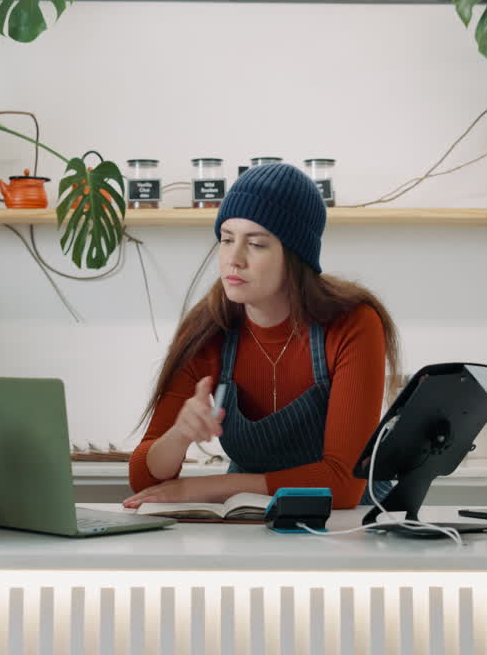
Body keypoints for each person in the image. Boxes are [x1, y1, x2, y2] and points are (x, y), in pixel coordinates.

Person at [124, 163, 402, 510]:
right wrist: (178, 436)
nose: (233, 260)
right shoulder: (208, 330)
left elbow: (341, 485)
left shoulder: (352, 324)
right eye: (226, 240)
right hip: (250, 517)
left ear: (295, 256)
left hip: (351, 526)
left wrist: (213, 487)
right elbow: (143, 478)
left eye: (256, 244)